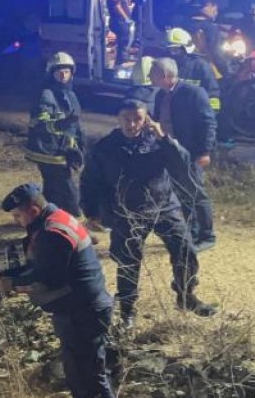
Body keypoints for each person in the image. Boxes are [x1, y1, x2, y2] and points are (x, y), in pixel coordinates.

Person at [0, 183, 119, 398]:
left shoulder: (52, 233)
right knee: (77, 373)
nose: (17, 221)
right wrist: (2, 275)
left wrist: (2, 280)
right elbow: (38, 266)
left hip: (84, 311)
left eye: (18, 216)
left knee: (91, 374)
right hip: (77, 309)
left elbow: (46, 277)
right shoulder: (51, 222)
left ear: (34, 209)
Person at [81, 99, 218, 332]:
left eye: (138, 119)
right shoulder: (106, 147)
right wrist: (92, 211)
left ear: (146, 120)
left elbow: (183, 165)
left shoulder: (158, 142)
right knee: (128, 263)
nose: (132, 124)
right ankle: (127, 311)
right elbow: (90, 181)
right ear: (118, 118)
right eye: (127, 118)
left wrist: (164, 138)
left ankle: (186, 295)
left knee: (186, 250)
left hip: (164, 206)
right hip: (128, 212)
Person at [151, 57, 218, 252]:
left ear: (164, 75)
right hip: (170, 151)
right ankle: (192, 232)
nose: (149, 77)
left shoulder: (194, 93)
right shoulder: (160, 95)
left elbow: (208, 123)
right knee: (182, 193)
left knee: (196, 193)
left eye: (152, 73)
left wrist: (205, 151)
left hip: (190, 152)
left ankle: (207, 235)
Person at [25, 52, 85, 217]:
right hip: (49, 151)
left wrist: (79, 143)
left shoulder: (68, 93)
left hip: (60, 149)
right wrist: (61, 124)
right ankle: (78, 221)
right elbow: (40, 123)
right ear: (51, 73)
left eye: (67, 71)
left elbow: (75, 124)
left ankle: (48, 216)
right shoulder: (47, 94)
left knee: (52, 186)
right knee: (67, 187)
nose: (63, 75)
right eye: (59, 72)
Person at [165, 27, 222, 114]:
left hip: (195, 117)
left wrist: (210, 115)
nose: (172, 54)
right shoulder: (164, 66)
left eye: (175, 50)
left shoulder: (200, 67)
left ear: (185, 49)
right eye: (170, 50)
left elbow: (212, 94)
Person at [189, 0, 228, 76]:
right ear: (207, 7)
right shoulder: (211, 28)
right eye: (214, 8)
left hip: (188, 70)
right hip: (207, 70)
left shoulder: (183, 25)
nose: (216, 12)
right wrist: (226, 71)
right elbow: (216, 53)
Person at [107, 0, 134, 65]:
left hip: (121, 21)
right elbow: (118, 7)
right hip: (118, 21)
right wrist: (126, 18)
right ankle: (120, 60)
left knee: (124, 40)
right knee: (123, 40)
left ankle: (122, 58)